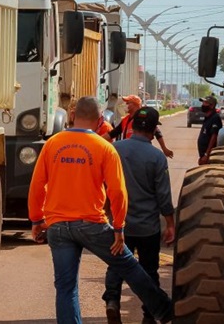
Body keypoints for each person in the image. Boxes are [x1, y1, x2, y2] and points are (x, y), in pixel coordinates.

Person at [28, 96, 173, 324]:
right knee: (127, 264)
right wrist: (119, 227)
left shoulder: (52, 144)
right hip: (91, 224)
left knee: (65, 286)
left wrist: (37, 220)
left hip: (57, 226)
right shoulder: (104, 148)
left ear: (73, 116)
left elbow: (37, 186)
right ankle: (164, 310)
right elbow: (118, 192)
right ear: (98, 121)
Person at [102, 106, 175, 324]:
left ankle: (112, 301)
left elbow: (103, 186)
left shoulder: (114, 150)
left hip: (118, 225)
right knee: (149, 270)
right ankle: (149, 315)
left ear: (131, 126)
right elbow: (163, 196)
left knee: (116, 264)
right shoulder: (157, 157)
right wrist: (170, 224)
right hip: (147, 227)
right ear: (153, 131)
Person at [107, 95, 174, 159]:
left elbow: (158, 133)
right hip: (127, 151)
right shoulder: (126, 119)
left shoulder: (143, 119)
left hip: (139, 151)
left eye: (128, 103)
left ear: (135, 104)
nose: (125, 105)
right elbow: (113, 133)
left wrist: (164, 148)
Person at [197, 95, 223, 165]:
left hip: (210, 157)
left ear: (212, 106)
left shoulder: (215, 118)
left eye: (205, 103)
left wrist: (206, 155)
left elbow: (214, 136)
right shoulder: (207, 117)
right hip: (203, 155)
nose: (203, 105)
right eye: (203, 103)